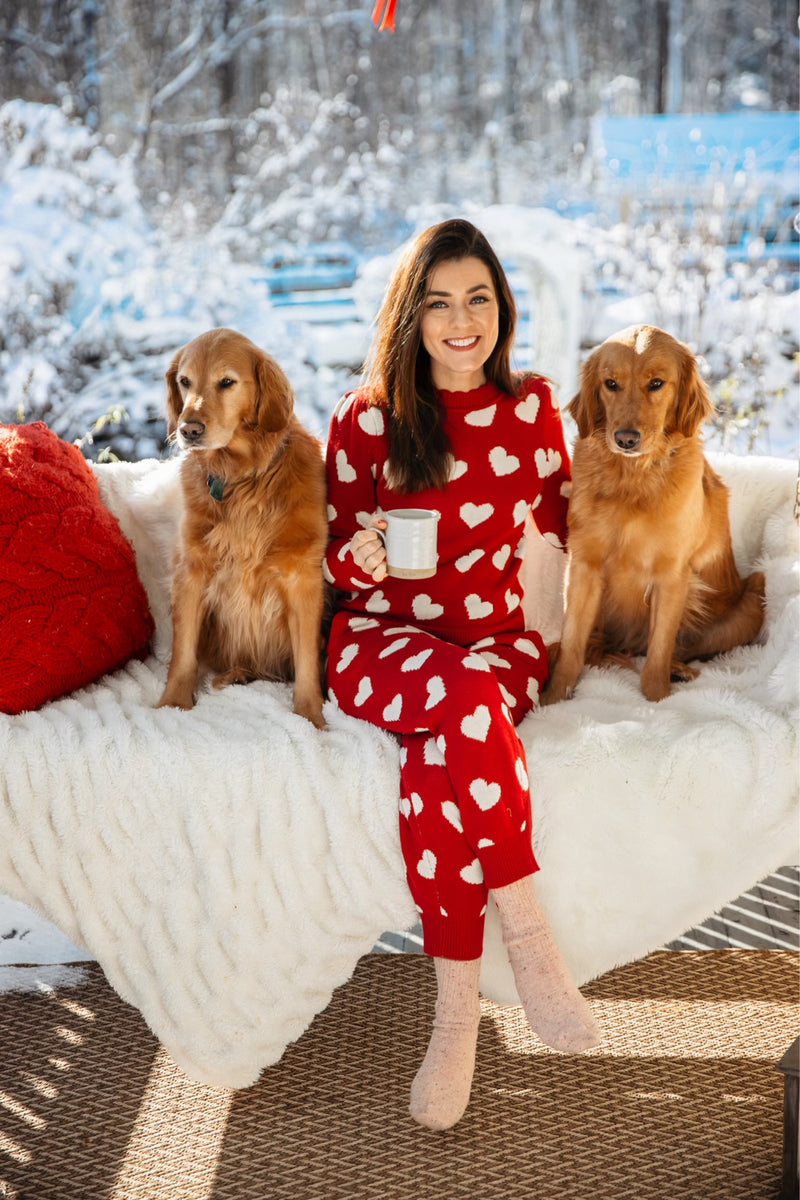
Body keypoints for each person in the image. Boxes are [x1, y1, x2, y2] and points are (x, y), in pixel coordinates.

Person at [323, 218, 601, 1130]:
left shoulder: (532, 411)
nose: (461, 319)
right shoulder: (366, 420)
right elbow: (333, 568)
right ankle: (528, 946)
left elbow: (572, 531)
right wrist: (364, 554)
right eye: (438, 301)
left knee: (442, 753)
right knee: (464, 701)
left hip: (496, 645)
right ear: (412, 316)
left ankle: (455, 1021)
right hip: (382, 644)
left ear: (502, 308)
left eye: (477, 297)